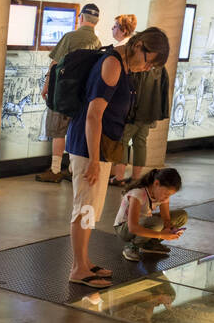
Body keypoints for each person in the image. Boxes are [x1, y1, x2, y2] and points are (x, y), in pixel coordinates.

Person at [64, 27, 169, 288]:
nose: (147, 68)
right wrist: (93, 159)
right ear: (139, 45)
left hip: (98, 148)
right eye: (149, 61)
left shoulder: (122, 64)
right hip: (89, 148)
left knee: (90, 208)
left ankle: (84, 262)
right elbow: (93, 115)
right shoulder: (112, 64)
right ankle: (78, 268)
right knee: (85, 207)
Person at [36, 2, 101, 183]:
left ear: (81, 17)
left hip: (62, 92)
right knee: (74, 130)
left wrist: (46, 85)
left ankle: (55, 170)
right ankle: (72, 169)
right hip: (82, 95)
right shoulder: (97, 43)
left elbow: (55, 63)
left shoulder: (70, 37)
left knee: (58, 131)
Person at [109, 61, 170, 187]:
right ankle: (136, 178)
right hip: (149, 112)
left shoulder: (140, 64)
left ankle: (119, 177)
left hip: (133, 112)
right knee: (140, 143)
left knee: (122, 141)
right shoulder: (159, 66)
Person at [116, 167, 186, 261]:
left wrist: (171, 229)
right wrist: (161, 235)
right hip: (124, 228)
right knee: (157, 223)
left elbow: (166, 219)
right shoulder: (138, 194)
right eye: (166, 193)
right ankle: (132, 246)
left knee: (182, 216)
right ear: (156, 183)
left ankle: (150, 244)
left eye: (169, 195)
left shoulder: (162, 196)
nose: (167, 197)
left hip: (145, 222)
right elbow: (133, 227)